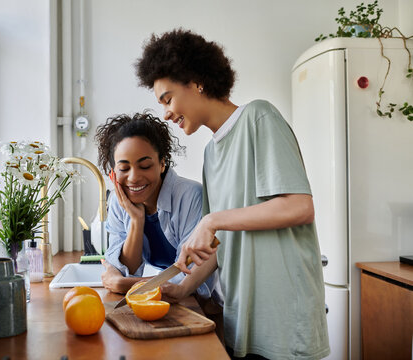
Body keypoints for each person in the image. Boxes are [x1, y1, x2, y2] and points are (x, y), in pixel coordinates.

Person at [135, 29, 330, 360]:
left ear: (196, 81)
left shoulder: (259, 117)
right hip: (245, 314)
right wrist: (183, 287)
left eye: (168, 99)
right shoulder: (212, 154)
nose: (166, 113)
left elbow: (299, 206)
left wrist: (211, 220)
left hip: (283, 315)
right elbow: (219, 242)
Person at [95, 112, 220, 305]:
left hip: (206, 304)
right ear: (113, 172)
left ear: (162, 164)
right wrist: (136, 220)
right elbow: (124, 267)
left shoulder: (190, 196)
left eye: (144, 166)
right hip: (167, 300)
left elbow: (185, 278)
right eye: (124, 168)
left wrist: (124, 284)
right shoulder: (118, 202)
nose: (134, 177)